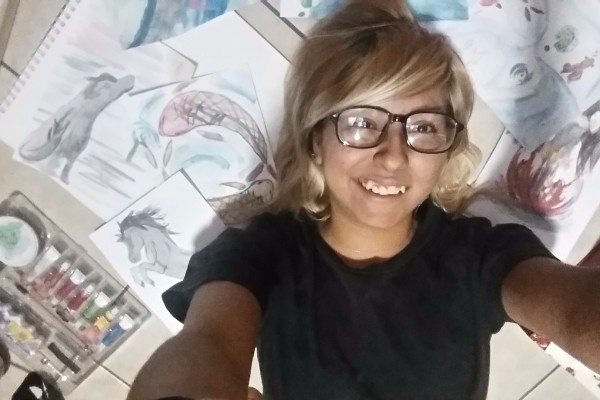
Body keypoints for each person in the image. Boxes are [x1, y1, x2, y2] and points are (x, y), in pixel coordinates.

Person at [128, 0, 600, 399]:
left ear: (447, 148)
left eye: (423, 127)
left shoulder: (479, 255)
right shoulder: (260, 253)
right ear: (315, 139)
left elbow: (575, 309)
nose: (393, 156)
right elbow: (207, 342)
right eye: (360, 122)